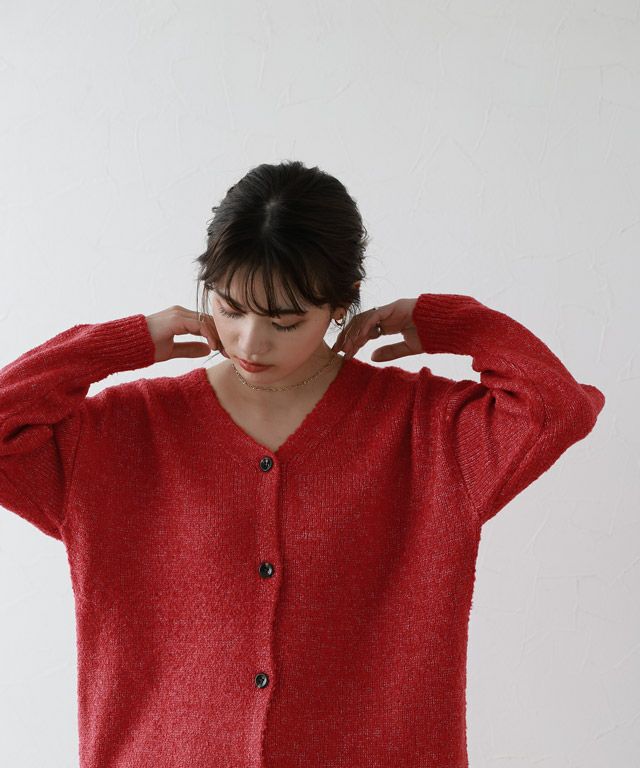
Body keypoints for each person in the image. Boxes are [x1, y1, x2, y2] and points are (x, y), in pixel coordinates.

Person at [0, 160, 606, 768]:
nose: (250, 342)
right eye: (230, 308)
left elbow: (557, 410)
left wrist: (454, 323)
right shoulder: (122, 433)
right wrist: (117, 343)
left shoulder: (429, 433)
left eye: (284, 321)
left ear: (341, 303)